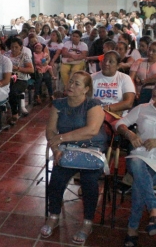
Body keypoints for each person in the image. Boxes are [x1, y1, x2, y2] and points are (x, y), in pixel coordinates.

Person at [40, 70, 107, 245]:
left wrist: (61, 138)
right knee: (56, 179)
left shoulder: (93, 104)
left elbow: (91, 131)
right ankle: (53, 216)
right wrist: (56, 150)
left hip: (91, 150)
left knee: (89, 183)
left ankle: (87, 223)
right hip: (68, 150)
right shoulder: (59, 104)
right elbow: (50, 130)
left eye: (77, 84)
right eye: (70, 82)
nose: (70, 86)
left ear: (86, 89)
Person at [115, 84, 156, 247]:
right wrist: (129, 133)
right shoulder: (142, 108)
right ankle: (153, 209)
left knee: (140, 184)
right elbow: (119, 123)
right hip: (140, 156)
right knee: (138, 164)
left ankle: (132, 228)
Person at [92, 50, 135, 120]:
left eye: (111, 62)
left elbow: (128, 103)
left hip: (117, 116)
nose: (106, 63)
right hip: (95, 115)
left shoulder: (125, 78)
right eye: (104, 60)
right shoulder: (92, 78)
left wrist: (106, 108)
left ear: (118, 66)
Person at [4, 37, 34, 124]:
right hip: (8, 77)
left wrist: (17, 68)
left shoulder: (24, 56)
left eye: (16, 47)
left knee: (12, 91)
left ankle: (15, 113)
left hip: (21, 79)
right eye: (12, 47)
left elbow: (31, 70)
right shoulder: (6, 55)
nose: (13, 49)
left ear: (21, 47)